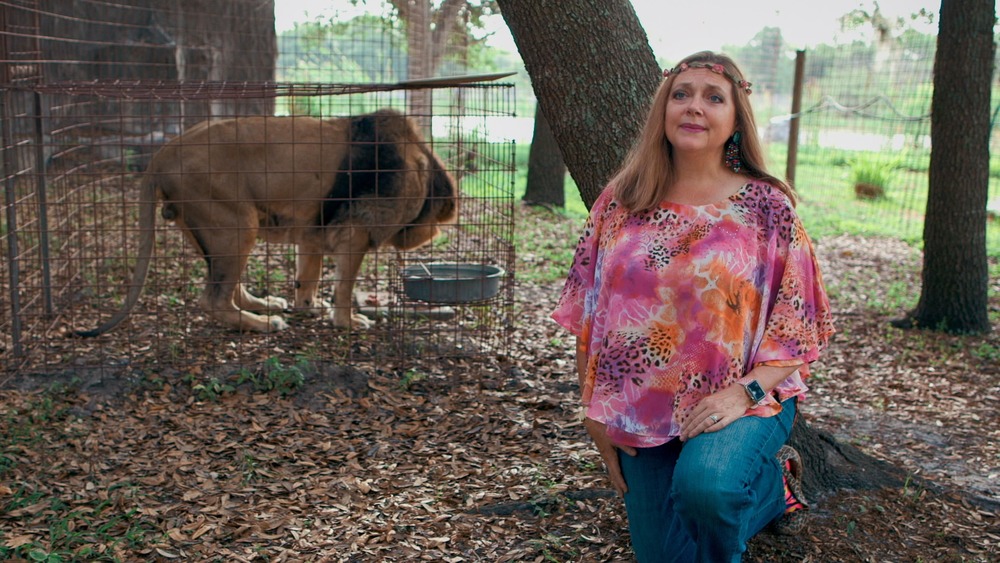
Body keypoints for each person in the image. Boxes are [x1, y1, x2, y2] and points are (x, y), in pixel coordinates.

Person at [551, 51, 835, 563]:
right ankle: (765, 498)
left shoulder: (767, 206)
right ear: (664, 110)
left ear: (734, 120)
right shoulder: (622, 200)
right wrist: (592, 409)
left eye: (713, 97)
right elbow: (588, 314)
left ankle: (761, 489)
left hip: (744, 395)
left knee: (708, 490)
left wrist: (742, 395)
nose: (693, 107)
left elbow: (798, 325)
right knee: (664, 554)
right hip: (639, 404)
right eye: (681, 94)